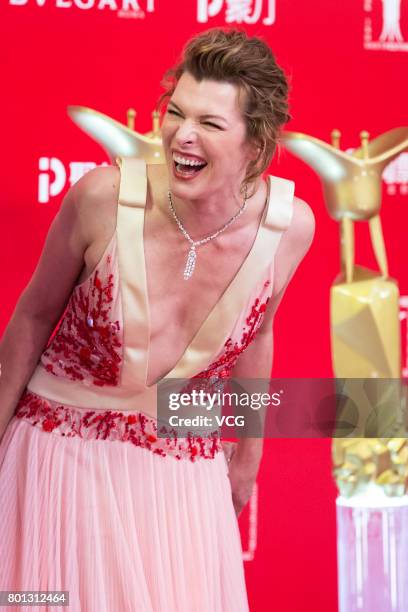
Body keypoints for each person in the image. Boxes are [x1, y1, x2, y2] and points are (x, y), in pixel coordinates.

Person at [0, 27, 314, 612]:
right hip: (57, 461)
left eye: (211, 124)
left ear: (256, 145)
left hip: (181, 477)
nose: (182, 136)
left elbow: (257, 332)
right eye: (176, 112)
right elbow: (32, 316)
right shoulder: (101, 196)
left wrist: (246, 459)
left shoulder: (290, 228)